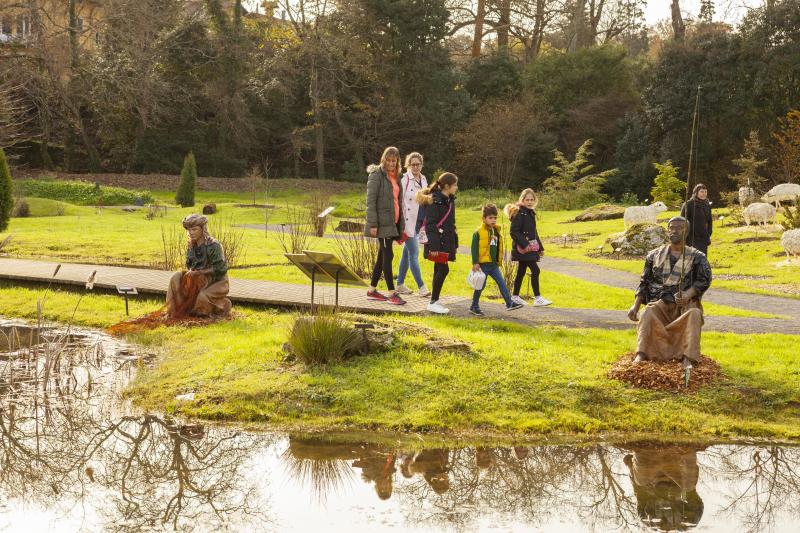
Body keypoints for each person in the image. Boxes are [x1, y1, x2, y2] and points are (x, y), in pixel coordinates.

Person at [628, 216, 712, 369]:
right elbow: (644, 282)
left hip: (684, 306)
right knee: (647, 312)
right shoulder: (654, 255)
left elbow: (704, 280)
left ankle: (688, 358)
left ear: (687, 231)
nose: (674, 231)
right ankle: (641, 353)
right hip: (660, 303)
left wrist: (688, 294)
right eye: (671, 228)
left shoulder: (698, 257)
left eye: (679, 228)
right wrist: (635, 306)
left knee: (694, 314)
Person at [623, 445, 705, 530]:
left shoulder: (648, 521)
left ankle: (641, 447)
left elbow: (639, 492)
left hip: (653, 472)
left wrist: (630, 467)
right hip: (675, 469)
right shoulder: (686, 523)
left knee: (641, 481)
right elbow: (693, 498)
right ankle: (686, 448)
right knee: (688, 486)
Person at [166, 214, 231, 318]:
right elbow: (190, 266)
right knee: (176, 277)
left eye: (194, 229)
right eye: (189, 230)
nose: (191, 233)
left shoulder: (213, 245)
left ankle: (221, 305)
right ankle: (178, 310)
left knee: (201, 300)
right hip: (197, 280)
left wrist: (199, 272)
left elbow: (221, 268)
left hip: (216, 281)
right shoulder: (191, 246)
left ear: (202, 229)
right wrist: (189, 274)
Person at [364, 146, 406, 305]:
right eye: (388, 160)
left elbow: (397, 201)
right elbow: (370, 202)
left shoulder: (398, 176)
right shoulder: (376, 175)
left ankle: (372, 290)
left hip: (393, 222)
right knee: (388, 256)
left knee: (382, 256)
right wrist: (373, 224)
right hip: (381, 224)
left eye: (394, 161)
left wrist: (401, 225)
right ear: (383, 159)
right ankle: (392, 293)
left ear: (397, 161)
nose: (391, 163)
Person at [469, 204, 523, 316]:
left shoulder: (496, 231)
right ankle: (474, 306)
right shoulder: (478, 232)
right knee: (480, 286)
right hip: (483, 265)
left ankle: (509, 303)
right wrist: (475, 263)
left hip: (493, 265)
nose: (493, 220)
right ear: (483, 218)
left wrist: (499, 260)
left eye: (495, 218)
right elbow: (474, 248)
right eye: (490, 218)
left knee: (502, 283)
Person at [417, 172, 458, 315]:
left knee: (438, 269)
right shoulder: (434, 201)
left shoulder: (449, 201)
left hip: (446, 241)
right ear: (446, 186)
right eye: (454, 185)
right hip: (437, 243)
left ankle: (435, 300)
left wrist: (454, 243)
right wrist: (433, 247)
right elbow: (431, 225)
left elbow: (451, 224)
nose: (456, 187)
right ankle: (433, 302)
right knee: (443, 270)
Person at [504, 189, 552, 307]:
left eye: (532, 200)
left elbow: (534, 233)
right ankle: (538, 298)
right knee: (535, 270)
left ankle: (515, 296)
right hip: (523, 249)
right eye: (527, 200)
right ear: (522, 200)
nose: (530, 202)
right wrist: (526, 245)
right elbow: (513, 232)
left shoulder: (530, 213)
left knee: (521, 271)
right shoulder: (520, 213)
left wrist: (540, 248)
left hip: (530, 248)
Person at [395, 152, 429, 297]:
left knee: (406, 254)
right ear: (408, 165)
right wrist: (400, 223)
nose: (415, 167)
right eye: (413, 164)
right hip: (407, 223)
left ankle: (399, 284)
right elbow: (399, 201)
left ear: (421, 165)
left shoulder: (424, 179)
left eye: (418, 164)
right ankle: (422, 287)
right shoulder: (404, 179)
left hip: (419, 222)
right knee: (414, 254)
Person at [680, 183, 713, 255]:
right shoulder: (688, 204)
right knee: (692, 258)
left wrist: (708, 233)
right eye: (702, 192)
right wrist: (684, 237)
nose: (704, 194)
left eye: (705, 192)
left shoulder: (707, 204)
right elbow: (682, 221)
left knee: (702, 258)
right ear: (696, 192)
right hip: (691, 239)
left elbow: (710, 221)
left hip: (703, 238)